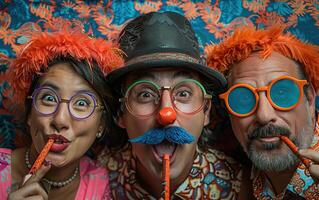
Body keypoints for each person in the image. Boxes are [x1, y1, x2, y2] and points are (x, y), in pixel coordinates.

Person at [98, 11, 242, 199]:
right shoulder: (96, 180)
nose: (166, 115)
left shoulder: (240, 188)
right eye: (145, 94)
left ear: (206, 110)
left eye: (183, 93)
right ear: (120, 113)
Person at [0, 30, 123, 199]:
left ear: (100, 125)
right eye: (49, 98)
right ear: (30, 115)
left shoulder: (101, 184)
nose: (60, 120)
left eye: (81, 103)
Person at [206, 27, 319, 199]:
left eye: (281, 93)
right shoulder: (235, 181)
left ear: (309, 99)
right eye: (243, 99)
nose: (264, 115)